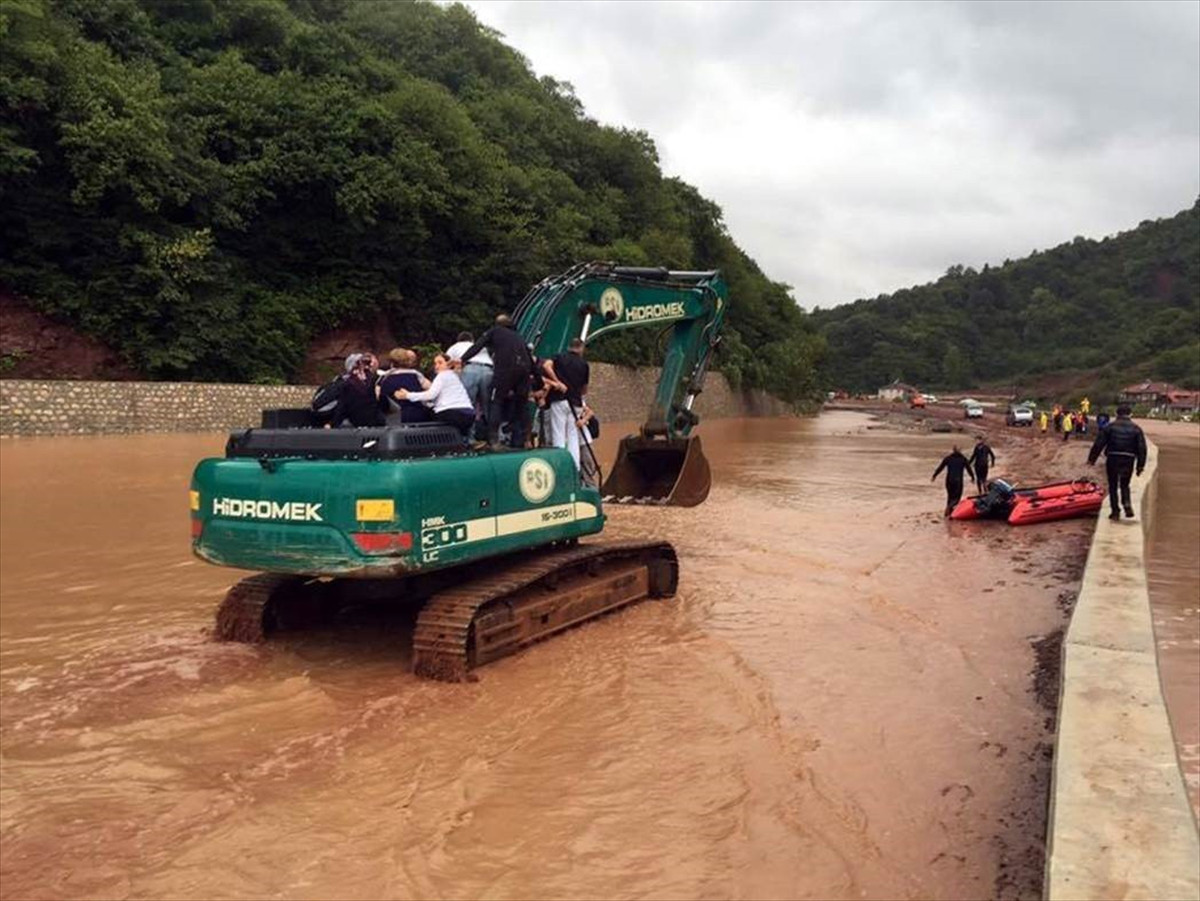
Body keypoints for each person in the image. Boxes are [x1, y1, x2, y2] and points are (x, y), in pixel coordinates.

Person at [460, 314, 534, 450]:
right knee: (523, 405)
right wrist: (539, 382)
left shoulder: (495, 331)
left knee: (496, 401)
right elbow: (529, 358)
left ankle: (494, 440)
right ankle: (527, 440)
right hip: (524, 369)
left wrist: (462, 359)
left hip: (505, 369)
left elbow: (478, 346)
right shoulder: (519, 337)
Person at [392, 353, 476, 439]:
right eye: (435, 363)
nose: (437, 366)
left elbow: (430, 395)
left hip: (453, 414)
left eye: (440, 363)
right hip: (469, 414)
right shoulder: (454, 376)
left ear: (448, 364)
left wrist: (407, 395)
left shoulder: (442, 375)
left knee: (422, 413)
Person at [1087, 404, 1147, 520]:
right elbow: (1142, 449)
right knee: (1125, 484)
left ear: (1116, 414)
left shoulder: (1109, 427)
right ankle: (1127, 504)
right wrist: (1140, 466)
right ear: (1130, 414)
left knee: (1113, 485)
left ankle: (1115, 511)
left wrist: (1092, 459)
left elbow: (1098, 444)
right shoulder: (1136, 429)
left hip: (1113, 457)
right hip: (1128, 459)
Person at [543, 338, 589, 470]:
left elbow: (546, 366)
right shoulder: (584, 364)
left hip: (560, 400)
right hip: (576, 403)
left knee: (558, 435)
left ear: (569, 347)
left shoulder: (559, 357)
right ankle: (575, 468)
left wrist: (557, 382)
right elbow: (584, 389)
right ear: (581, 348)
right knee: (573, 438)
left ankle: (560, 468)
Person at [446, 331, 493, 439]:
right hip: (488, 370)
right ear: (472, 340)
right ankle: (493, 438)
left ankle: (469, 438)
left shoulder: (455, 347)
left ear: (459, 340)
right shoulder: (480, 347)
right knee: (488, 406)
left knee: (468, 404)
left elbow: (447, 362)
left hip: (470, 369)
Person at [328, 353, 385, 428]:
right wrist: (333, 423)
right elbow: (342, 405)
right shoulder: (348, 383)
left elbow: (382, 400)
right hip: (358, 420)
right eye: (361, 363)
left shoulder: (372, 379)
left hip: (375, 419)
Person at [377, 348, 431, 424]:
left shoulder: (384, 377)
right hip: (417, 414)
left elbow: (378, 395)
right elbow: (431, 389)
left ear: (392, 362)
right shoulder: (415, 374)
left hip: (394, 418)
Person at [932, 445, 975, 518]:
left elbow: (940, 467)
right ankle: (949, 510)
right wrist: (972, 477)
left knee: (950, 497)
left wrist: (934, 475)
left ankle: (949, 512)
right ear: (960, 451)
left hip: (949, 480)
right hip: (958, 481)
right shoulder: (963, 459)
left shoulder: (948, 458)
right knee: (957, 498)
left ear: (953, 450)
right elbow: (969, 469)